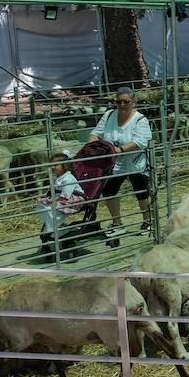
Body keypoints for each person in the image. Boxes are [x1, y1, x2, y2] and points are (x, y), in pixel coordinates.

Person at [88, 85, 154, 235]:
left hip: (135, 162)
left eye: (126, 102)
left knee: (142, 192)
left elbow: (141, 141)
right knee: (109, 191)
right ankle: (117, 223)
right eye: (119, 102)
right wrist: (91, 147)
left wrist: (120, 149)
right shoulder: (109, 115)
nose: (122, 105)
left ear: (133, 101)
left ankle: (148, 221)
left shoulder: (140, 120)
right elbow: (96, 133)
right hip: (114, 163)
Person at [35, 151, 86, 262]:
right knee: (40, 205)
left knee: (52, 208)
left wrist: (51, 201)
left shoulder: (68, 178)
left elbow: (65, 196)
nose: (53, 167)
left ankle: (53, 229)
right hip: (59, 198)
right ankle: (54, 227)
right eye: (51, 165)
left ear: (64, 166)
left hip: (72, 200)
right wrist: (46, 199)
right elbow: (53, 192)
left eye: (55, 165)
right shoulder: (56, 177)